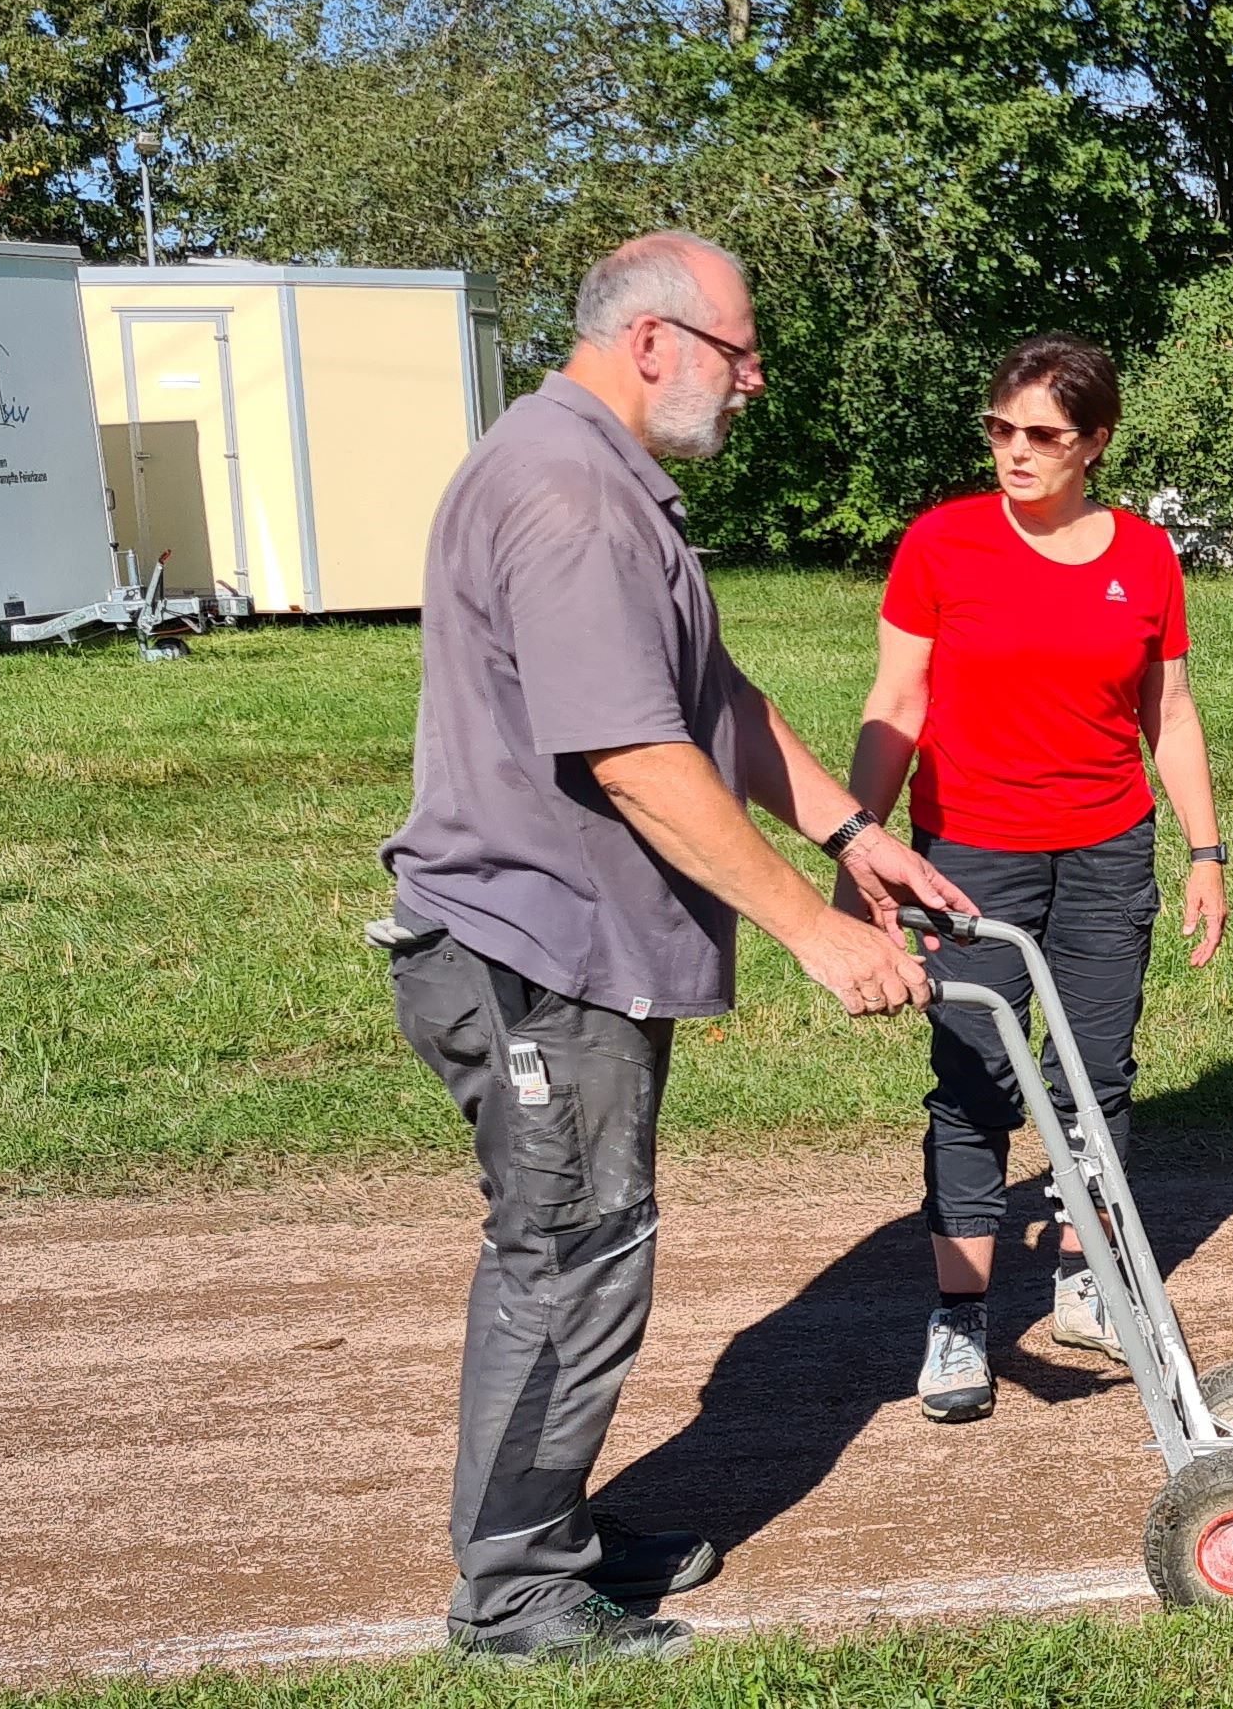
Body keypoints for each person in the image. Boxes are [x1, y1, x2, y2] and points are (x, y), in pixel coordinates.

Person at [378, 231, 975, 1663]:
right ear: (652, 341)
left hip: (570, 943)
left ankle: (554, 1534)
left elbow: (707, 692)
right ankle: (517, 1594)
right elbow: (639, 757)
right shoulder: (572, 494)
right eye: (739, 351)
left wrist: (849, 831)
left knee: (590, 1243)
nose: (753, 380)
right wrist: (816, 937)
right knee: (571, 1253)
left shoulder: (592, 472)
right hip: (537, 954)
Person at [847, 332, 1229, 1425]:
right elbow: (898, 704)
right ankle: (960, 1318)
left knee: (1096, 1076)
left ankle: (1085, 1281)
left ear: (1094, 442)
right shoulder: (943, 544)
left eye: (1044, 436)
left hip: (1109, 847)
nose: (1015, 453)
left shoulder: (1145, 557)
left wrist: (1205, 853)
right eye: (1001, 430)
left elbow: (1171, 713)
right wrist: (859, 843)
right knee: (974, 1086)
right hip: (968, 853)